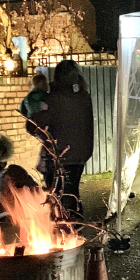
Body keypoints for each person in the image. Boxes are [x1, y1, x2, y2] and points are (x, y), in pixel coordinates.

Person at [32, 60, 94, 216]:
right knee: (72, 191)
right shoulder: (84, 96)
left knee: (59, 194)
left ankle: (66, 229)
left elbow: (35, 124)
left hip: (61, 153)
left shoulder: (54, 98)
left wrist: (40, 115)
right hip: (81, 153)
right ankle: (76, 226)